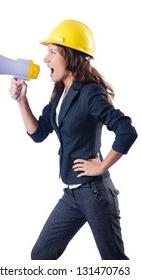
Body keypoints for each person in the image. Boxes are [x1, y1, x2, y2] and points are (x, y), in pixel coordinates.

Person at [9, 19, 138, 260]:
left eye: (52, 52)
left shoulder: (91, 92)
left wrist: (101, 165)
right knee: (41, 255)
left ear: (70, 56)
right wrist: (21, 101)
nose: (45, 59)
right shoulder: (60, 92)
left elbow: (126, 131)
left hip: (95, 193)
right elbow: (38, 134)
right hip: (72, 194)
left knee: (114, 262)